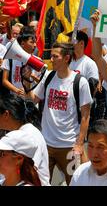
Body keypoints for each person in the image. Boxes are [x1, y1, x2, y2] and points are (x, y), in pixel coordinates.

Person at [27, 42, 92, 185]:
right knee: (39, 182)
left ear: (66, 58)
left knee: (75, 182)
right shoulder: (48, 76)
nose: (51, 59)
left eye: (55, 56)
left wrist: (80, 144)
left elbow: (86, 116)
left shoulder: (80, 82)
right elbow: (33, 99)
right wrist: (27, 82)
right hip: (46, 145)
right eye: (51, 56)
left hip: (69, 147)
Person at [0, 94, 50, 186]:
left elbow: (28, 170)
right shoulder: (17, 134)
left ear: (6, 114)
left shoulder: (30, 135)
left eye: (1, 154)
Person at [2, 27, 37, 97]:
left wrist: (33, 77)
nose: (35, 45)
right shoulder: (10, 58)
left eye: (35, 42)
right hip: (14, 99)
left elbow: (40, 83)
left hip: (31, 99)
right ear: (23, 43)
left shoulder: (37, 61)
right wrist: (17, 90)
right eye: (32, 42)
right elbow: (4, 80)